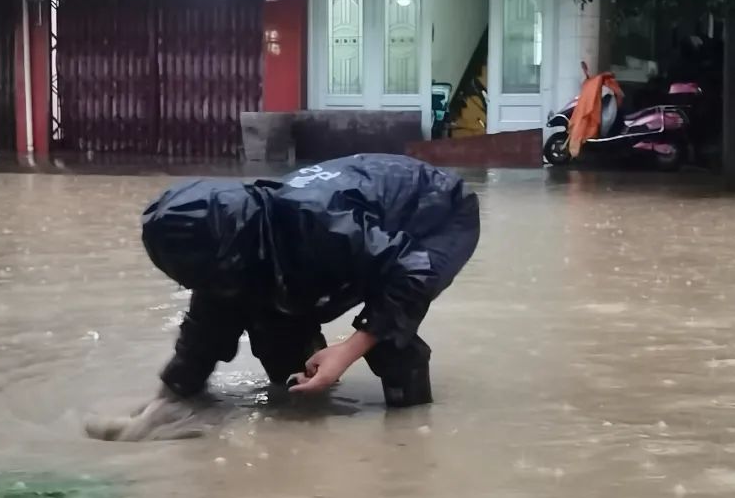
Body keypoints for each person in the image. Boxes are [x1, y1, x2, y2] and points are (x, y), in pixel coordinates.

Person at [87, 154, 480, 442]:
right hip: (352, 226)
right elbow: (207, 326)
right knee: (274, 329)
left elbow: (411, 273)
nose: (213, 284)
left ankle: (408, 436)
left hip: (434, 213)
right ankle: (311, 417)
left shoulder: (320, 222)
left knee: (389, 337)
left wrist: (349, 349)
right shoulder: (228, 247)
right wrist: (170, 397)